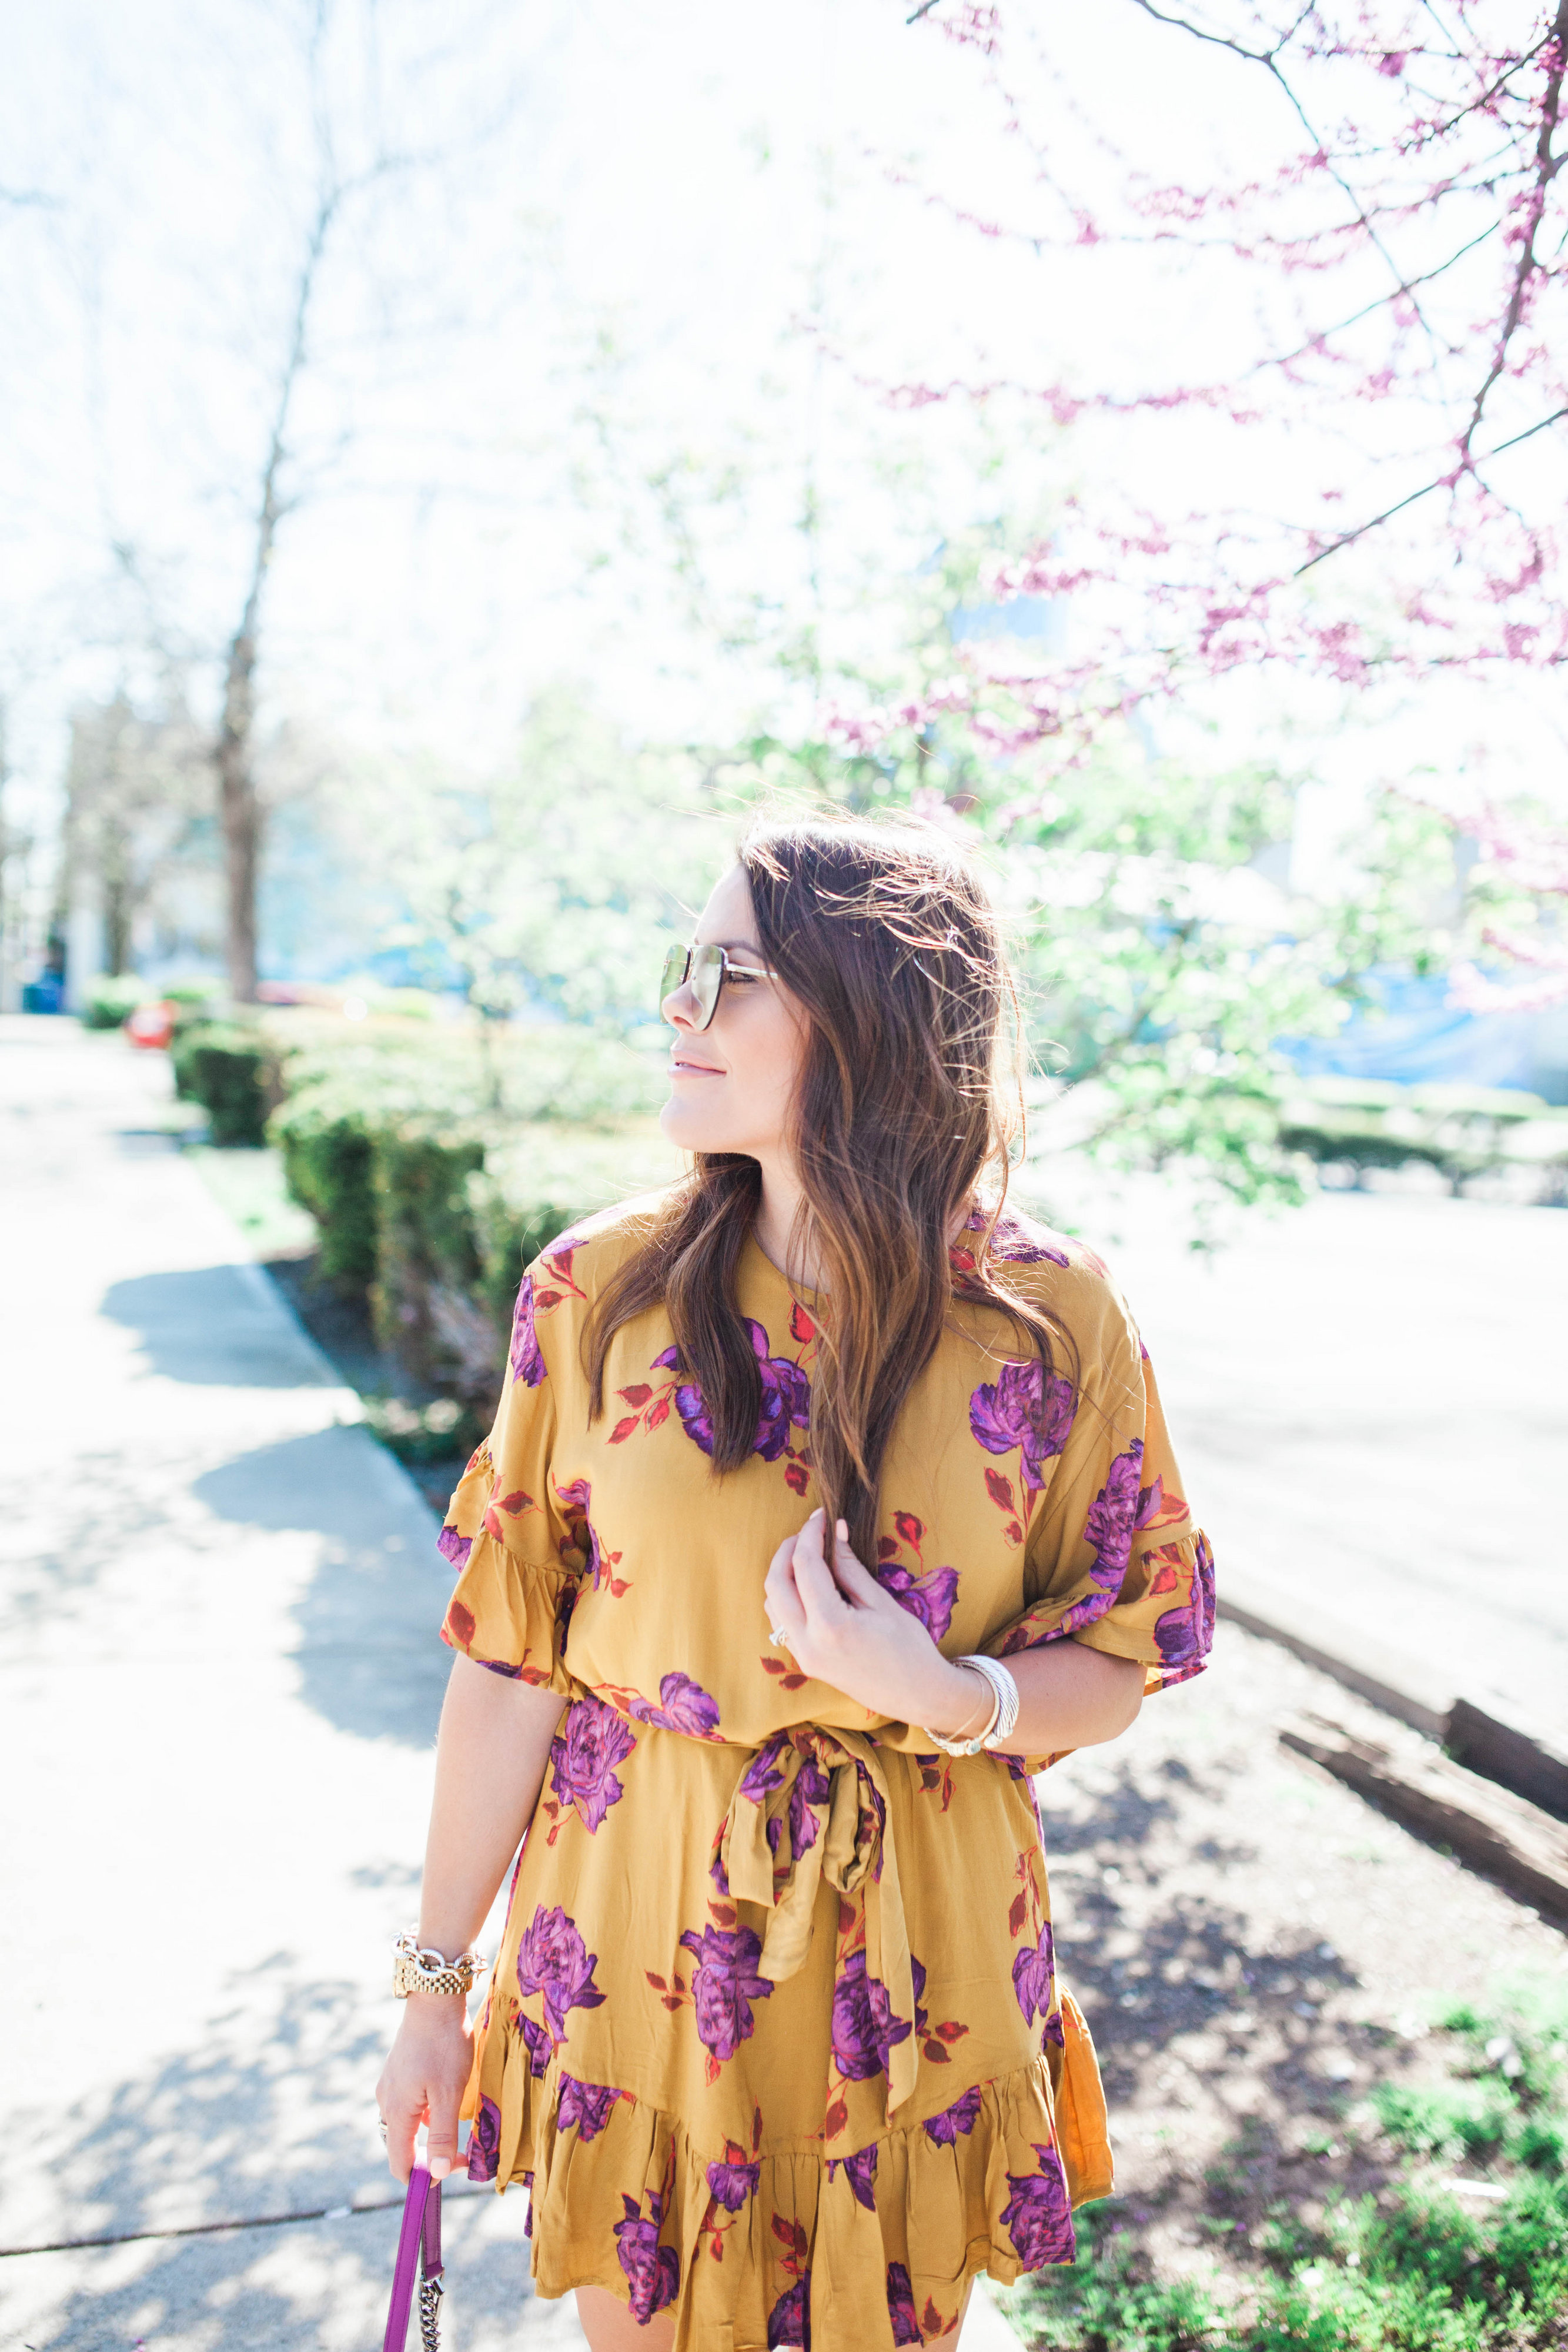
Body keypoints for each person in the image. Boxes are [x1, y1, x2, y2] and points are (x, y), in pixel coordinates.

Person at [376, 813, 1215, 2351]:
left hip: (920, 1951)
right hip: (632, 1921)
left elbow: (1122, 1651)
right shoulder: (594, 1295)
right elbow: (509, 1666)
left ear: (873, 1014)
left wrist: (953, 1696)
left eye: (730, 977)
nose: (675, 1009)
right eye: (680, 969)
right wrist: (433, 1987)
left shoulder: (1048, 1322)